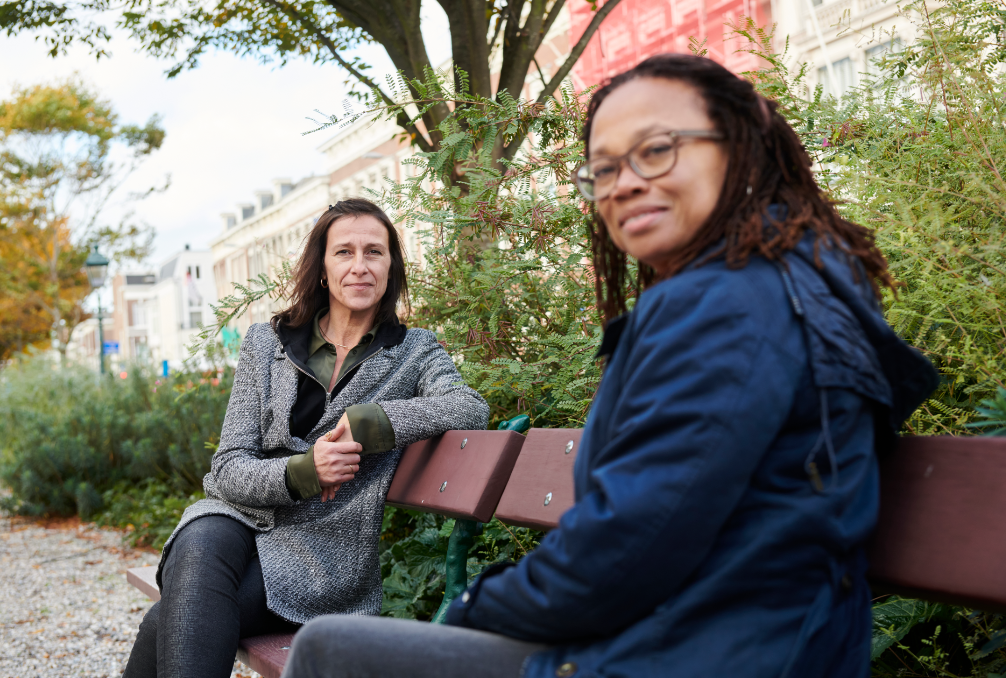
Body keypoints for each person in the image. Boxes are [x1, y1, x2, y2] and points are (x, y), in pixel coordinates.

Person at [279, 54, 938, 678]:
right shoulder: (800, 279)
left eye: (656, 150)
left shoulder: (727, 303)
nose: (624, 182)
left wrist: (473, 608)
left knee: (333, 652)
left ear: (736, 148)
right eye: (603, 169)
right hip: (743, 640)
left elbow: (630, 544)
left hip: (696, 656)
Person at [123, 198, 489, 678]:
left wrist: (373, 421)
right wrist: (304, 472)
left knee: (172, 615)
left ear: (391, 267)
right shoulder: (266, 342)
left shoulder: (413, 350)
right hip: (236, 521)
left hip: (319, 557)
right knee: (200, 539)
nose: (360, 266)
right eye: (344, 252)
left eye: (374, 253)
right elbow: (227, 469)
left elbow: (469, 408)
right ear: (321, 267)